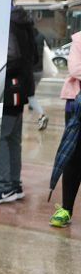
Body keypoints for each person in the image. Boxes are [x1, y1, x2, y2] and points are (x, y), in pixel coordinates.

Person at [0, 6, 37, 205]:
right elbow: (34, 57)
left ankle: (3, 187)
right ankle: (14, 185)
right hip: (22, 88)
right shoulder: (25, 23)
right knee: (12, 139)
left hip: (8, 88)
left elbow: (12, 57)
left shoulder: (8, 23)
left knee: (3, 137)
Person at [50, 30, 81, 228]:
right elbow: (76, 69)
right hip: (77, 106)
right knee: (73, 158)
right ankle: (66, 209)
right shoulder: (79, 40)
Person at [28, 23, 49, 130]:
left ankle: (42, 114)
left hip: (30, 71)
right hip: (39, 70)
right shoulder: (41, 36)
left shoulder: (26, 37)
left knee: (29, 95)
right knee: (31, 92)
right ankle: (32, 106)